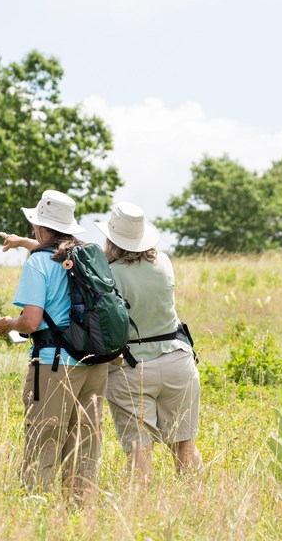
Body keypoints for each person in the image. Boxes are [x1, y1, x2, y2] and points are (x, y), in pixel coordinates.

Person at [0, 190, 108, 499]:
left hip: (54, 365)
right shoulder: (86, 256)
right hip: (95, 364)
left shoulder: (37, 264)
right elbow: (53, 252)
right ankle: (79, 514)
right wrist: (23, 242)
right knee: (84, 445)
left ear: (41, 227)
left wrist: (8, 325)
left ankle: (37, 510)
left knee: (43, 439)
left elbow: (30, 322)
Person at [94, 202, 202, 481]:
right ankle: (199, 504)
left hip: (131, 368)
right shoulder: (163, 262)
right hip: (178, 359)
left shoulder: (108, 272)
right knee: (185, 444)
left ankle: (140, 511)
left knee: (139, 451)